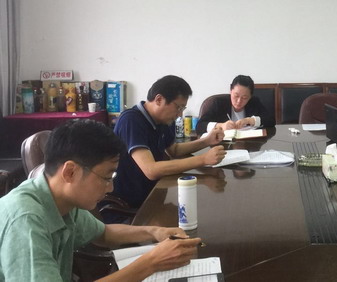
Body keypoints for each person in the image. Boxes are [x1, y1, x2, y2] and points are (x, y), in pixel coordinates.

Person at [0, 120, 201, 282]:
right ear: (70, 172)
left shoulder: (62, 200)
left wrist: (154, 231)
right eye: (106, 177)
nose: (110, 188)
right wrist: (151, 263)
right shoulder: (25, 221)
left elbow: (103, 233)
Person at [110, 75, 226, 213]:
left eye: (183, 108)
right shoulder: (131, 120)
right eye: (178, 107)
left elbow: (174, 150)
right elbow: (151, 170)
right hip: (127, 205)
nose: (180, 114)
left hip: (153, 195)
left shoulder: (163, 120)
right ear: (159, 100)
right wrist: (203, 159)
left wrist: (206, 141)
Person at [197, 75, 275, 134]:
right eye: (236, 96)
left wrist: (250, 120)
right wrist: (221, 125)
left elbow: (271, 121)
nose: (239, 101)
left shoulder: (254, 102)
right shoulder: (218, 103)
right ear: (230, 91)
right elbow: (200, 126)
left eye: (244, 98)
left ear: (250, 97)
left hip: (249, 144)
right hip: (223, 146)